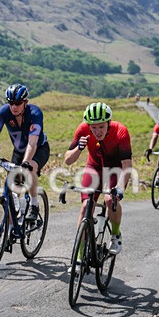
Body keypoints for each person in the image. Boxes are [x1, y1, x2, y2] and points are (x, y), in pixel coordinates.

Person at [64, 102, 132, 255]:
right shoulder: (83, 129)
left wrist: (119, 189)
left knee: (109, 199)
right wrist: (79, 148)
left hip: (115, 169)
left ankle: (115, 235)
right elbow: (68, 160)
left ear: (108, 123)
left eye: (101, 126)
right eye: (93, 127)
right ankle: (79, 255)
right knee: (85, 206)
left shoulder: (120, 131)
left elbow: (127, 166)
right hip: (94, 167)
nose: (97, 131)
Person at [0, 83, 51, 222]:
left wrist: (26, 163)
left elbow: (32, 143)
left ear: (25, 102)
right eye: (11, 103)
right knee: (14, 191)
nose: (14, 106)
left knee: (29, 169)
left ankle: (34, 205)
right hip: (19, 151)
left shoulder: (35, 113)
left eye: (18, 103)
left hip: (39, 149)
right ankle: (12, 227)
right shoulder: (4, 112)